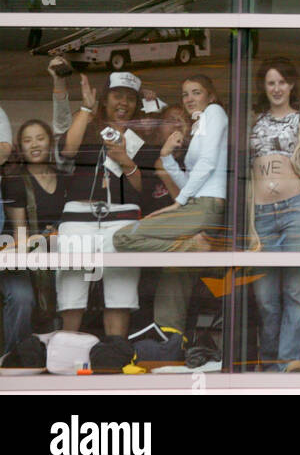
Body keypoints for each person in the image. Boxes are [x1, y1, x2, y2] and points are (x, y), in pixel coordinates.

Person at [114, 75, 229, 337]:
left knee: (124, 237)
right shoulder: (200, 128)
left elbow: (208, 163)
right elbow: (190, 180)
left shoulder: (215, 112)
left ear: (210, 96)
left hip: (206, 205)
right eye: (185, 93)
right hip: (199, 204)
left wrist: (178, 202)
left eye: (196, 92)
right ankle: (170, 340)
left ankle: (191, 248)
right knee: (172, 268)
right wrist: (166, 156)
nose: (189, 98)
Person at [247, 59, 300, 372]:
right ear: (263, 88)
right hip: (262, 213)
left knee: (295, 292)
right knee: (265, 297)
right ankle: (270, 366)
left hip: (296, 209)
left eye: (282, 82)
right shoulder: (253, 120)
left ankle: (290, 364)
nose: (276, 88)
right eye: (270, 83)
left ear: (292, 85)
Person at [58, 70, 145, 337]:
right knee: (71, 296)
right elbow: (67, 151)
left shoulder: (143, 134)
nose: (123, 103)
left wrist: (125, 160)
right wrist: (86, 106)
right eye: (117, 95)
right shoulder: (87, 123)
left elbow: (143, 188)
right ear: (105, 99)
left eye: (130, 98)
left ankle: (114, 359)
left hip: (121, 218)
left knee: (120, 297)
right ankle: (67, 360)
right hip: (79, 216)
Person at [1, 120, 64, 349]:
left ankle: (59, 354)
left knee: (72, 294)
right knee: (22, 299)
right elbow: (19, 237)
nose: (34, 145)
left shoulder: (64, 177)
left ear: (50, 142)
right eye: (27, 140)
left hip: (57, 255)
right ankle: (16, 356)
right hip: (21, 259)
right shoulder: (16, 181)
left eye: (40, 138)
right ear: (20, 147)